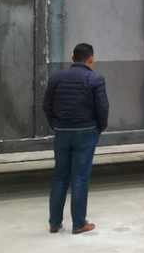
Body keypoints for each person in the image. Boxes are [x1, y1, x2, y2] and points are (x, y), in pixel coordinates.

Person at [43, 42, 109, 235]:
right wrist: (99, 128)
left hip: (62, 132)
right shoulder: (95, 79)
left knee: (60, 176)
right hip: (86, 132)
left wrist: (55, 124)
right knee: (79, 177)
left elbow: (46, 105)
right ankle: (79, 223)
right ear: (91, 59)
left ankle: (54, 223)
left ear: (72, 58)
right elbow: (103, 108)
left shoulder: (56, 78)